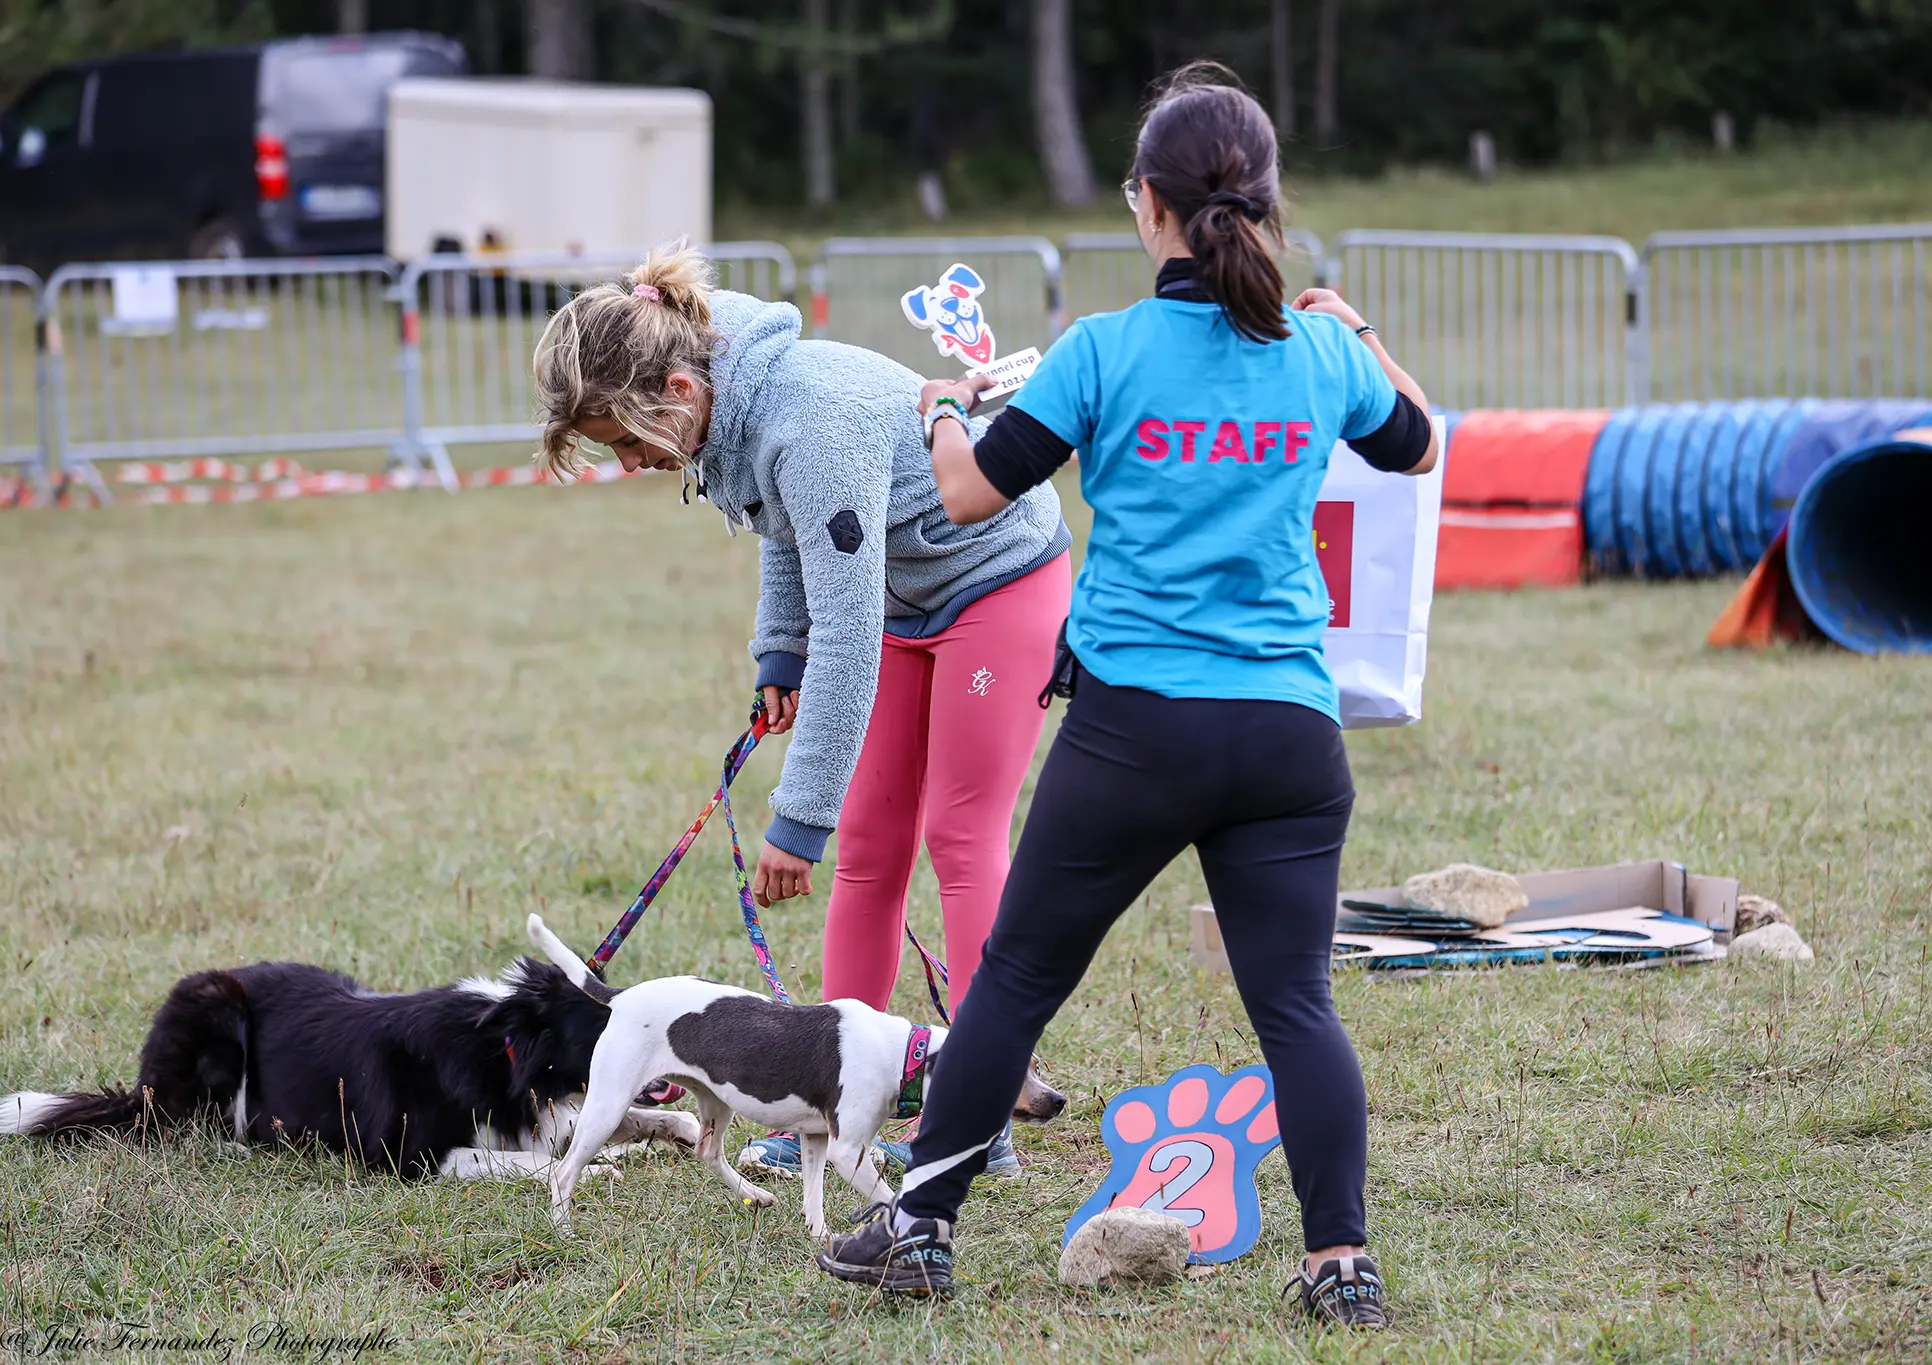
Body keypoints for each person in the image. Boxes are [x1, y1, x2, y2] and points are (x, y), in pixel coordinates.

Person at [814, 63, 1438, 1330]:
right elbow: (1416, 443)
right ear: (1263, 204)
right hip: (1283, 734)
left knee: (1017, 983)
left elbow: (970, 495)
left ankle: (920, 1230)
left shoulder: (1103, 351)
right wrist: (1359, 327)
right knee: (1296, 1005)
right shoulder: (1318, 352)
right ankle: (1339, 1267)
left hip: (1134, 730)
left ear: (1144, 206)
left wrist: (940, 410)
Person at [532, 243, 1073, 1175]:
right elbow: (778, 520)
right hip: (898, 590)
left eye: (627, 441)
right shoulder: (719, 375)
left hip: (998, 581)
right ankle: (826, 1108)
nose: (627, 464)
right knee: (870, 846)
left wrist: (798, 816)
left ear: (677, 388)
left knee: (958, 833)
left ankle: (982, 1110)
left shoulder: (806, 419)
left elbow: (849, 633)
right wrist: (779, 651)